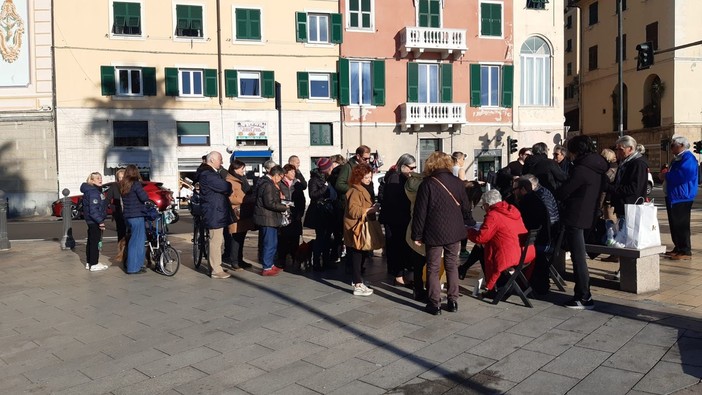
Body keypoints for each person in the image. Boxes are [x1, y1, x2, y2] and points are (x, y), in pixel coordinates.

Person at [412, 151, 475, 315]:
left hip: (434, 232)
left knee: (433, 267)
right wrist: (468, 222)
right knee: (452, 265)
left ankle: (435, 303)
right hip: (454, 231)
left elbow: (420, 212)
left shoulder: (427, 184)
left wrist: (417, 234)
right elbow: (466, 207)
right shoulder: (458, 182)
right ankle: (453, 300)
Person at [556, 135, 608, 309]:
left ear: (576, 151)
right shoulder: (598, 167)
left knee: (578, 259)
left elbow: (565, 191)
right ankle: (583, 294)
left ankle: (584, 296)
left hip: (576, 216)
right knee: (580, 257)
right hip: (589, 216)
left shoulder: (581, 169)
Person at [466, 189, 536, 297]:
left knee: (482, 250)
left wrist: (468, 231)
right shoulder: (512, 210)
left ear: (487, 205)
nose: (484, 209)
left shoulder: (493, 215)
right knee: (482, 248)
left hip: (511, 256)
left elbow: (481, 237)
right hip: (525, 252)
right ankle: (465, 270)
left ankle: (494, 289)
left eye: (483, 206)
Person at [603, 136, 649, 277]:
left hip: (631, 207)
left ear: (630, 149)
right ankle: (623, 270)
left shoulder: (638, 163)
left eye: (620, 149)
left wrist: (611, 189)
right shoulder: (625, 162)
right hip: (623, 207)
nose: (617, 151)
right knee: (624, 240)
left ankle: (626, 272)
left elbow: (633, 188)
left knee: (628, 241)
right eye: (617, 148)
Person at [379, 154, 418, 286]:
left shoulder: (400, 177)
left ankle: (398, 272)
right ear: (403, 166)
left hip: (398, 218)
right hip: (396, 219)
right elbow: (395, 201)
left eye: (415, 167)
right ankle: (398, 275)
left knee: (398, 246)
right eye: (411, 167)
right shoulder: (395, 178)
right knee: (397, 246)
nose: (413, 170)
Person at [511, 175, 553, 294]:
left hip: (534, 245)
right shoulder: (536, 199)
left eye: (515, 189)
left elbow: (523, 225)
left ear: (523, 189)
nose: (513, 192)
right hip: (543, 240)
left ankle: (503, 283)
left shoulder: (526, 203)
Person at [343, 162, 380, 296]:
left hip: (358, 226)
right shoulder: (355, 191)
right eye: (366, 178)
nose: (369, 180)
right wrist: (371, 210)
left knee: (361, 254)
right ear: (359, 178)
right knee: (357, 255)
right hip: (355, 228)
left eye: (370, 177)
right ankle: (358, 284)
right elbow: (354, 211)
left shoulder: (362, 188)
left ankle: (358, 281)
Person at [199, 151, 234, 279]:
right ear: (212, 160)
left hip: (216, 210)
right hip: (214, 211)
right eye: (220, 159)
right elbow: (225, 186)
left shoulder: (210, 173)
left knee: (216, 240)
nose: (222, 162)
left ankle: (214, 266)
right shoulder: (208, 174)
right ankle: (216, 270)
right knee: (216, 241)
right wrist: (229, 185)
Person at [663, 136, 698, 260]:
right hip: (674, 195)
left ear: (681, 146)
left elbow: (683, 175)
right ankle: (678, 247)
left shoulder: (688, 158)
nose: (671, 147)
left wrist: (666, 175)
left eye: (673, 145)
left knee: (681, 224)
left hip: (682, 196)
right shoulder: (677, 159)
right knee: (674, 223)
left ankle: (685, 250)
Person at [254, 165, 291, 276]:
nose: (281, 179)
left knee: (273, 242)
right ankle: (267, 267)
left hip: (271, 218)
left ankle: (270, 264)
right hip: (267, 218)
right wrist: (284, 207)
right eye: (281, 177)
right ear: (276, 175)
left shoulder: (268, 183)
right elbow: (269, 203)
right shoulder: (268, 185)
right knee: (269, 243)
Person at [303, 157, 337, 271]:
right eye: (330, 166)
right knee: (320, 237)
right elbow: (313, 195)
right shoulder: (314, 180)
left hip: (328, 211)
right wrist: (325, 187)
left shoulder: (328, 178)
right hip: (319, 211)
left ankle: (326, 261)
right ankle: (316, 261)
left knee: (327, 237)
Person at [120, 164, 149, 275]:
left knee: (135, 241)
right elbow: (144, 197)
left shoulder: (123, 184)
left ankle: (138, 265)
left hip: (128, 216)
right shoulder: (136, 184)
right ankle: (133, 267)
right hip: (137, 216)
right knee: (137, 242)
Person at [225, 159, 254, 271]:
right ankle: (234, 261)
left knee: (242, 237)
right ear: (235, 169)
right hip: (236, 212)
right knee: (236, 237)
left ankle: (240, 259)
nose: (243, 171)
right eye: (242, 168)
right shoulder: (230, 181)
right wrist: (244, 199)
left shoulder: (242, 179)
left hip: (245, 212)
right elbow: (230, 198)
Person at [277, 164, 305, 269]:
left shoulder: (297, 185)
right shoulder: (280, 184)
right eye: (292, 171)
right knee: (283, 239)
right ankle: (282, 260)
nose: (294, 173)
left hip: (295, 215)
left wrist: (300, 213)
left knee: (295, 239)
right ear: (285, 173)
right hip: (283, 215)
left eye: (294, 171)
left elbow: (302, 201)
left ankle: (295, 259)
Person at [81, 172, 109, 272]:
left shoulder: (92, 191)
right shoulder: (93, 192)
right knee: (95, 242)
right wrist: (100, 221)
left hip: (90, 220)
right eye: (97, 178)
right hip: (94, 220)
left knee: (91, 241)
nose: (100, 180)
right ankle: (94, 263)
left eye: (100, 178)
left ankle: (89, 262)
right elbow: (94, 210)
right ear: (92, 180)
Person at [106, 168, 126, 263]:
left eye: (123, 177)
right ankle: (121, 253)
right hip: (119, 213)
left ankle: (128, 252)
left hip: (129, 213)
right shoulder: (114, 186)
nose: (121, 179)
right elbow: (108, 199)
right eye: (120, 177)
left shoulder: (129, 186)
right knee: (121, 234)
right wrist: (112, 209)